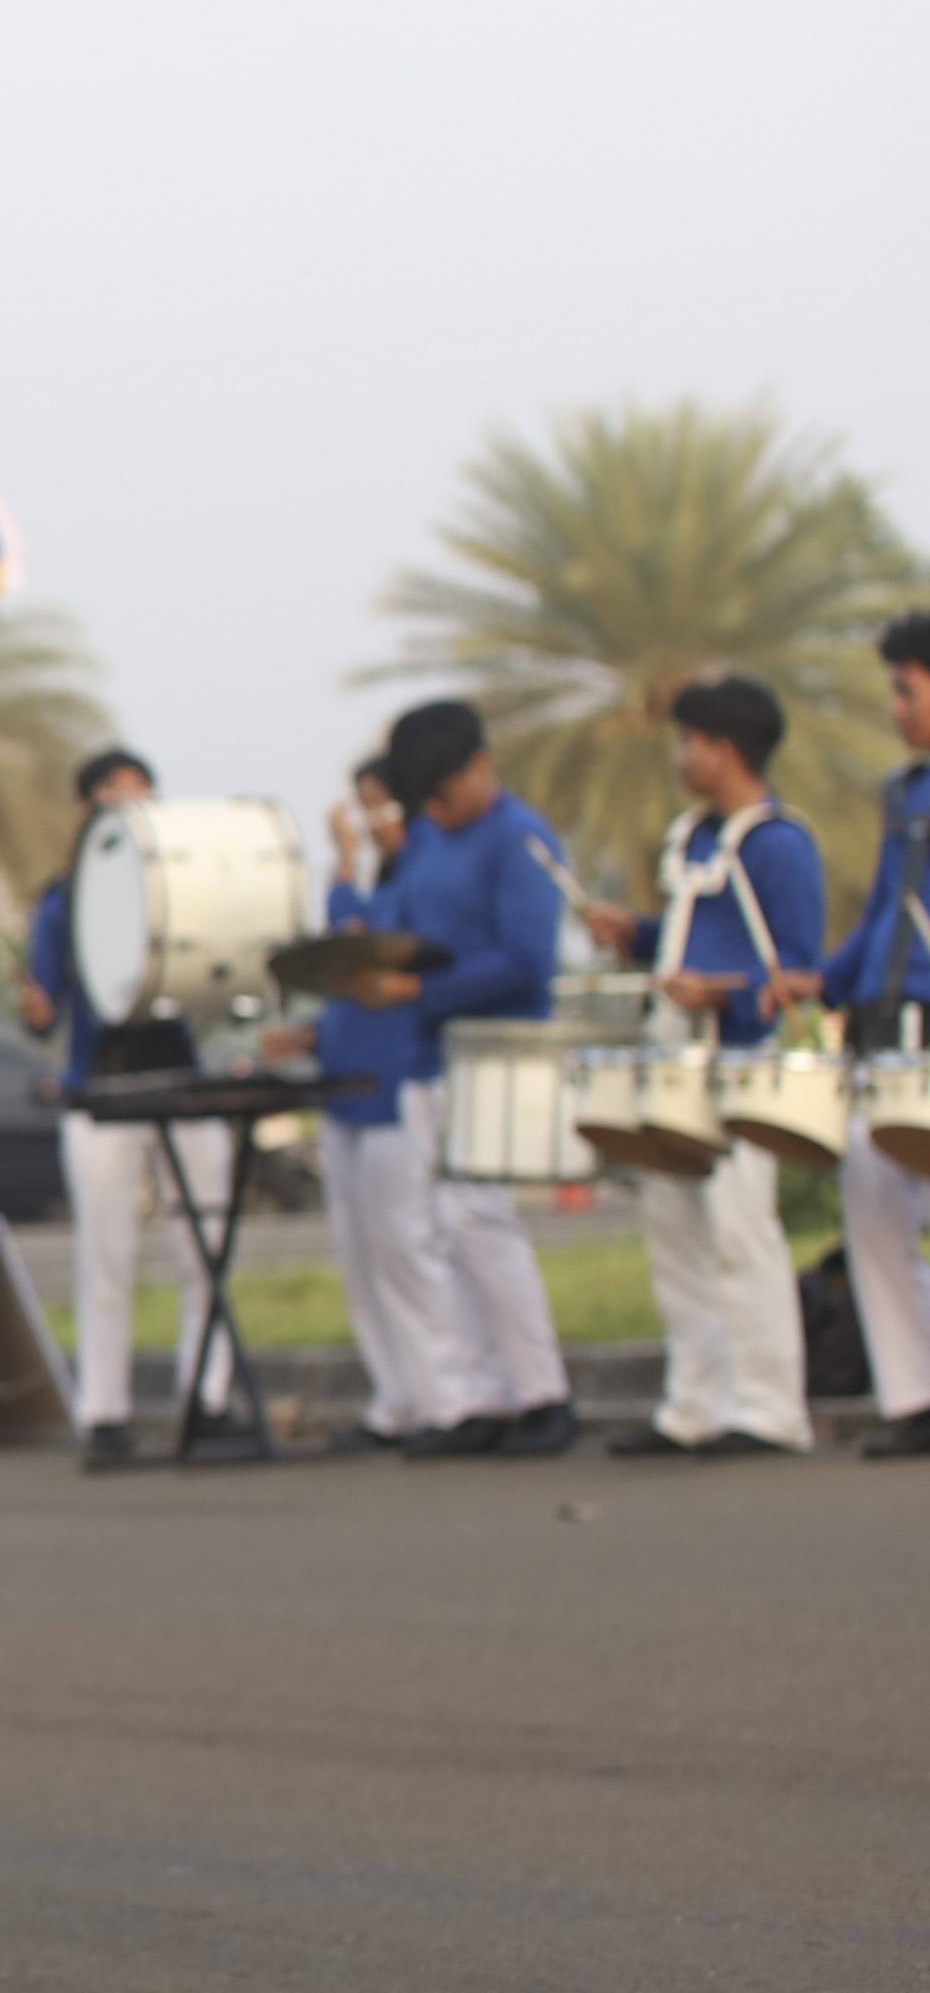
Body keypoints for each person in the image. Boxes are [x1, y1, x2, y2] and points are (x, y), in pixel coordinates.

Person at [573, 676, 822, 1453]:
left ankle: (770, 1409)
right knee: (675, 1231)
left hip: (740, 1059)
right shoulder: (694, 839)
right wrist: (638, 936)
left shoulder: (780, 845)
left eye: (691, 742)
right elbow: (689, 933)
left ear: (726, 749)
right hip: (674, 1054)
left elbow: (799, 968)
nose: (681, 757)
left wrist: (724, 991)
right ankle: (696, 1406)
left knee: (742, 1232)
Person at [338, 699, 577, 1454]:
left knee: (480, 1218)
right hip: (425, 1057)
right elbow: (401, 928)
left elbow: (527, 960)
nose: (436, 813)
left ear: (478, 766)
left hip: (495, 1055)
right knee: (435, 1231)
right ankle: (476, 1398)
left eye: (443, 796)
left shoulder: (518, 836)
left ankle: (543, 1392)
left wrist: (422, 989)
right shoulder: (427, 846)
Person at [20, 746, 230, 1456]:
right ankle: (104, 1413)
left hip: (181, 1083)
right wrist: (36, 1008)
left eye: (146, 793)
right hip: (101, 1092)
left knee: (205, 1249)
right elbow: (44, 1010)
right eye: (118, 793)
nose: (136, 806)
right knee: (107, 1257)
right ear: (87, 810)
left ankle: (209, 1400)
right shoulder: (61, 901)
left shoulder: (181, 890)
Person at [274, 764, 431, 1445]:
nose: (370, 822)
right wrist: (311, 1037)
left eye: (380, 805)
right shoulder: (380, 885)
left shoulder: (419, 886)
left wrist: (343, 866)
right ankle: (393, 1401)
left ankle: (437, 1397)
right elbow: (346, 975)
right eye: (363, 808)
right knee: (362, 1261)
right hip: (343, 1093)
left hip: (395, 1096)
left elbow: (358, 939)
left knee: (406, 1254)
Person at [811, 613, 930, 1457]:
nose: (895, 707)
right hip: (895, 1032)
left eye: (905, 689)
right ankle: (916, 1393)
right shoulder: (904, 792)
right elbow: (887, 908)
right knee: (873, 1186)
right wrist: (824, 978)